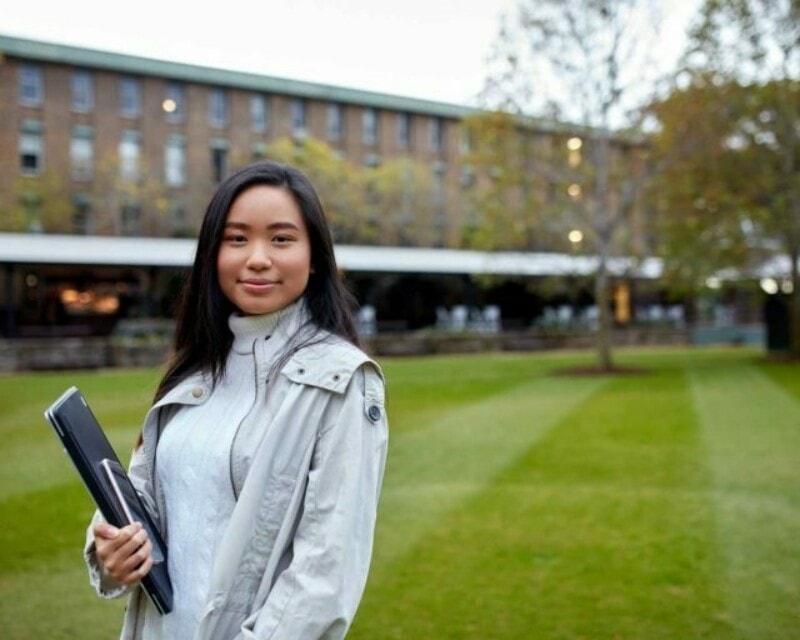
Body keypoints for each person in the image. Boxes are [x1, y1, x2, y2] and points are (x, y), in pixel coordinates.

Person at [84, 160, 389, 640]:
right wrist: (110, 548)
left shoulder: (341, 380)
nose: (258, 258)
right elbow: (141, 497)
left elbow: (323, 577)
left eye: (282, 239)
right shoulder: (194, 370)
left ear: (314, 257)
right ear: (212, 254)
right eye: (237, 238)